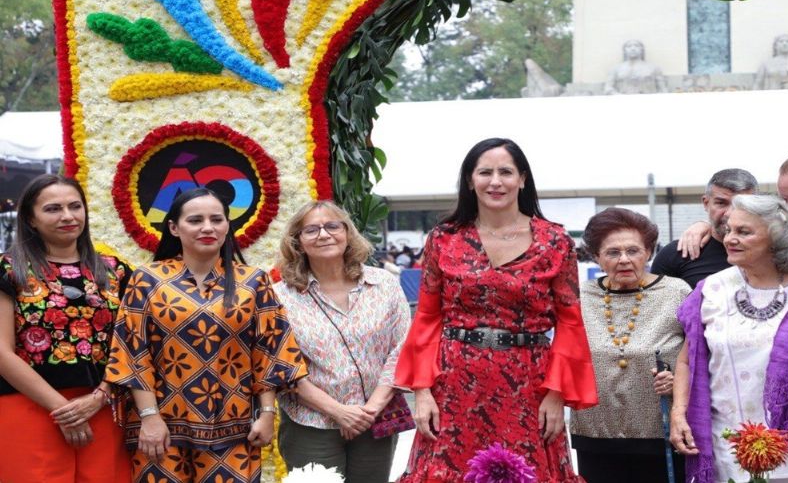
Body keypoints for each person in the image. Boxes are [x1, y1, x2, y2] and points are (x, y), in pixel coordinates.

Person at [394, 137, 598, 482]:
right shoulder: (444, 238)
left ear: (522, 179)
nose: (495, 181)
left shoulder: (555, 241)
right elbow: (427, 317)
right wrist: (422, 391)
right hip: (455, 379)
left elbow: (570, 322)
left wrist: (555, 393)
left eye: (506, 172)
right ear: (470, 181)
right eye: (485, 172)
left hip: (528, 381)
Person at [106, 187, 306, 482]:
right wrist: (149, 417)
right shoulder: (147, 279)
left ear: (228, 225)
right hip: (159, 430)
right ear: (174, 227)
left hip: (235, 430)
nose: (208, 228)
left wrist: (267, 414)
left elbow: (269, 351)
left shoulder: (253, 281)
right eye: (195, 220)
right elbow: (132, 351)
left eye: (217, 219)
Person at [671, 195, 788, 483]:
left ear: (777, 238)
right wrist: (678, 413)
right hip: (731, 446)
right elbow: (687, 360)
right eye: (729, 230)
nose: (730, 239)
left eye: (744, 232)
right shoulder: (713, 289)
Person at [0, 174, 131, 482]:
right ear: (31, 218)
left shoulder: (116, 271)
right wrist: (62, 409)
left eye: (75, 206)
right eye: (53, 209)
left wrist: (100, 397)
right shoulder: (9, 268)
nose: (68, 216)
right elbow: (2, 352)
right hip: (29, 404)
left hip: (102, 405)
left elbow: (132, 345)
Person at [273, 200, 411, 482]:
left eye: (332, 226)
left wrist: (368, 410)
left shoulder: (383, 284)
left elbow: (403, 349)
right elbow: (282, 365)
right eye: (311, 230)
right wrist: (339, 412)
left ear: (347, 233)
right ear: (297, 242)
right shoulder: (279, 296)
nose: (324, 235)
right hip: (311, 423)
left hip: (375, 419)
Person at [571, 207, 690, 483]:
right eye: (613, 252)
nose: (624, 260)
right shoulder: (582, 295)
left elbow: (699, 355)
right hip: (595, 431)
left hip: (659, 432)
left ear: (648, 252)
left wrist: (678, 380)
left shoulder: (677, 292)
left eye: (633, 251)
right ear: (597, 257)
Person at [651, 168, 758, 288]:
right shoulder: (675, 255)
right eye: (721, 203)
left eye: (741, 204)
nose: (729, 212)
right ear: (706, 203)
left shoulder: (772, 252)